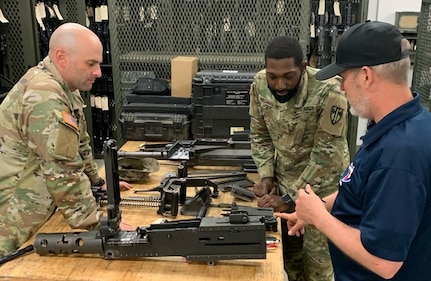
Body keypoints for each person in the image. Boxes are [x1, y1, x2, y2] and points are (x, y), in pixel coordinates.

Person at [276, 20, 431, 281]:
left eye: (344, 77)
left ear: (366, 76)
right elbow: (367, 189)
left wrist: (320, 219)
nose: (341, 87)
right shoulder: (404, 125)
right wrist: (321, 207)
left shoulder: (400, 154)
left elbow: (384, 261)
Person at [0, 23, 133, 257]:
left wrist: (97, 182)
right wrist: (98, 225)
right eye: (90, 64)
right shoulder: (45, 95)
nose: (99, 72)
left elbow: (79, 142)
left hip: (38, 202)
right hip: (14, 216)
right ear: (62, 57)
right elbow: (63, 170)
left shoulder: (64, 86)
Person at [249, 35, 350, 281]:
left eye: (288, 76)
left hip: (323, 194)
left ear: (303, 68)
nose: (280, 84)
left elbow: (324, 157)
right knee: (288, 262)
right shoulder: (259, 85)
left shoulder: (330, 92)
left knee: (318, 268)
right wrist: (267, 175)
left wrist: (288, 199)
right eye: (273, 76)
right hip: (284, 186)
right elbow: (259, 134)